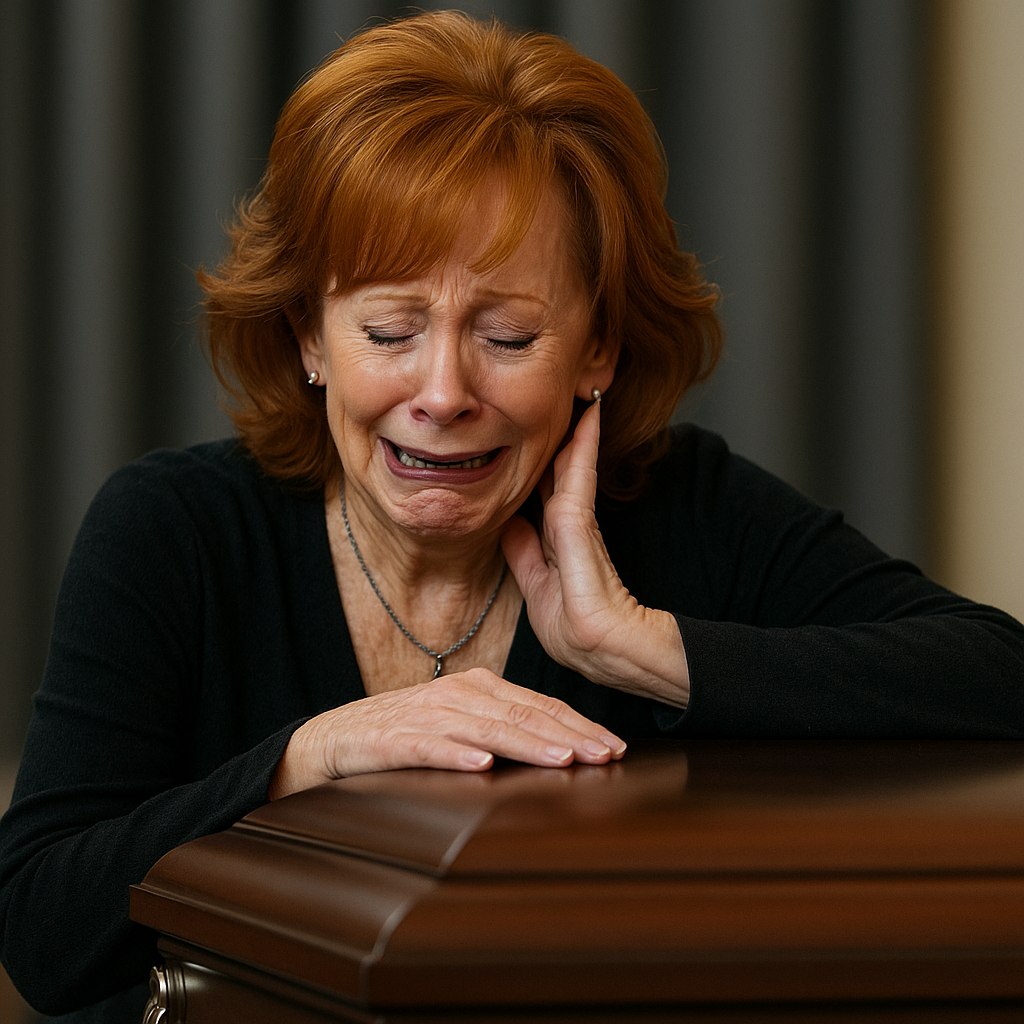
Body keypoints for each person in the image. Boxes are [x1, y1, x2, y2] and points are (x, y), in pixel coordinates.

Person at [2, 10, 1023, 1022]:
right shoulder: (173, 529)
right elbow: (41, 931)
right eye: (389, 330)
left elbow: (998, 673)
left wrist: (641, 648)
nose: (443, 392)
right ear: (309, 335)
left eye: (508, 336)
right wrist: (306, 756)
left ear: (597, 349)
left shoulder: (685, 506)